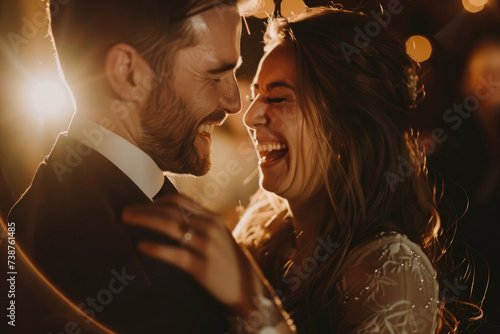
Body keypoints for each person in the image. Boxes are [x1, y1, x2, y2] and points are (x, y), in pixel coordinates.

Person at [123, 7, 480, 333]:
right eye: (257, 95)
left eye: (277, 98)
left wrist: (255, 306)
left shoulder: (391, 269)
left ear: (345, 128)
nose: (249, 117)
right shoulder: (261, 243)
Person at [8, 0, 256, 332]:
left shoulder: (60, 205)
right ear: (128, 72)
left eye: (234, 73)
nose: (234, 103)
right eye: (214, 75)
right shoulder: (88, 251)